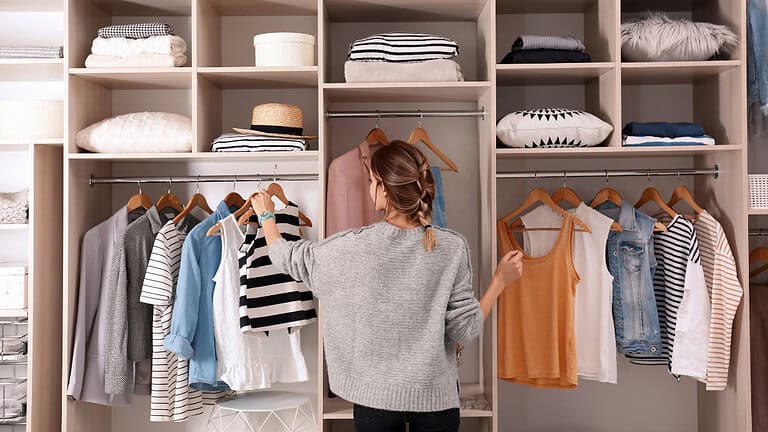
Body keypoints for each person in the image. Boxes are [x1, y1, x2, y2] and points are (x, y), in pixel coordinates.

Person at [251, 140, 523, 432]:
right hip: (436, 403)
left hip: (375, 403)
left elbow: (287, 258)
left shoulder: (352, 246)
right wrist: (499, 281)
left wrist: (267, 216)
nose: (369, 189)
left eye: (371, 181)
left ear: (384, 188)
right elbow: (464, 330)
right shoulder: (452, 247)